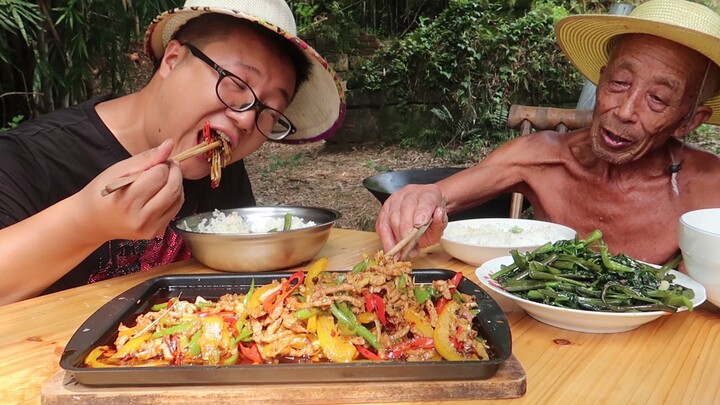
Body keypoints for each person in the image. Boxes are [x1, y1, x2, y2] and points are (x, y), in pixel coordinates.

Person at [0, 0, 345, 305]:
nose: (245, 119)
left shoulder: (222, 172)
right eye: (237, 84)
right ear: (173, 59)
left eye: (270, 112)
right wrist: (87, 221)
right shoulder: (28, 157)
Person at [376, 0, 720, 266]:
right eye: (619, 82)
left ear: (689, 120)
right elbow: (439, 195)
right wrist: (418, 202)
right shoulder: (539, 156)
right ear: (601, 79)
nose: (626, 110)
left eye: (658, 99)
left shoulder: (709, 186)